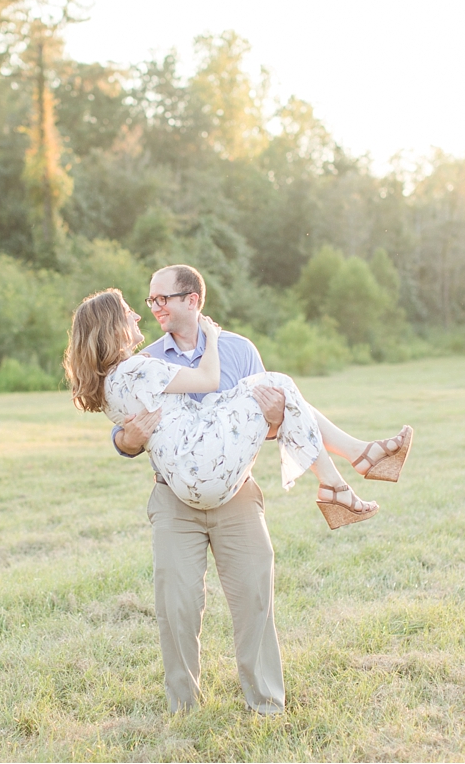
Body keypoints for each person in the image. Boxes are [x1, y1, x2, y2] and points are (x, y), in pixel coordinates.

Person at [62, 265, 413, 714]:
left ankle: (266, 704)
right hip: (174, 497)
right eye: (147, 303)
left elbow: (280, 424)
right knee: (178, 605)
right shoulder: (146, 359)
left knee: (254, 597)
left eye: (160, 299)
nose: (153, 309)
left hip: (236, 492)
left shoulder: (240, 350)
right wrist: (126, 439)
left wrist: (273, 415)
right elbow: (125, 434)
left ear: (192, 300)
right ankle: (184, 709)